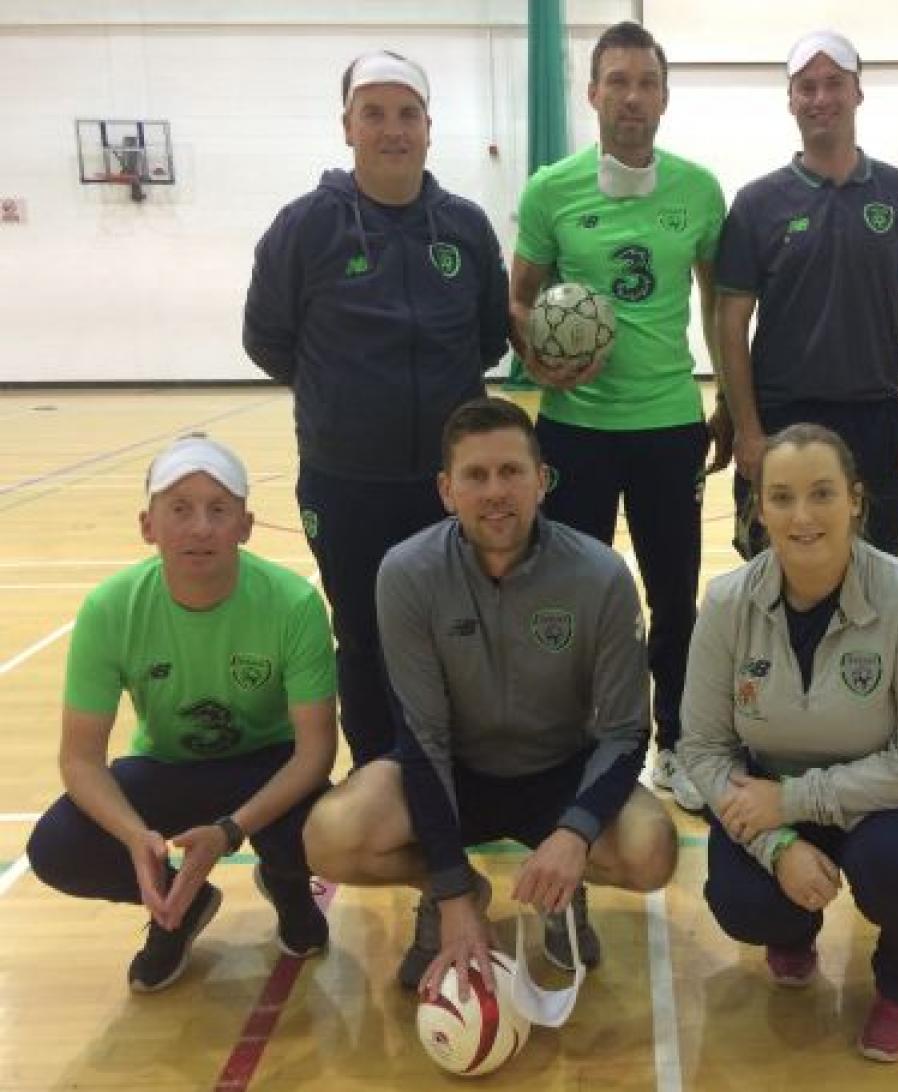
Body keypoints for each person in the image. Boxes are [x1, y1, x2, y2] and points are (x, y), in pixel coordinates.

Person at [302, 398, 677, 995]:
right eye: (476, 476)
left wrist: (575, 831)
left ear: (542, 481)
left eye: (511, 472)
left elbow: (626, 732)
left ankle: (559, 888)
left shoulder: (600, 575)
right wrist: (451, 887)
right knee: (330, 835)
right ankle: (454, 893)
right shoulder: (407, 573)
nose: (495, 491)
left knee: (651, 848)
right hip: (455, 772)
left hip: (558, 774)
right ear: (447, 491)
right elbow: (421, 740)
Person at [243, 51, 510, 766]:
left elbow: (487, 338)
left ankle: (457, 771)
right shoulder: (304, 228)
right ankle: (378, 777)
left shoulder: (465, 228)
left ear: (428, 127)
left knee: (459, 627)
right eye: (374, 114)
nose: (392, 130)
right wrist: (347, 399)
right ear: (348, 126)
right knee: (360, 633)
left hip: (449, 482)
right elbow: (267, 340)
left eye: (407, 114)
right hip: (345, 479)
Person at [680, 424, 898, 1063]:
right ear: (760, 509)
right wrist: (779, 845)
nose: (802, 515)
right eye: (782, 497)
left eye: (822, 494)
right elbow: (702, 749)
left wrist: (791, 801)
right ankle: (792, 922)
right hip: (777, 801)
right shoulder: (727, 603)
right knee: (742, 903)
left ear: (857, 501)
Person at [25, 435, 337, 992]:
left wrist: (230, 831)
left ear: (245, 525)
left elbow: (315, 754)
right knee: (57, 847)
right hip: (166, 768)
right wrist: (133, 838)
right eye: (180, 509)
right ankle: (179, 906)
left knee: (330, 830)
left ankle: (287, 883)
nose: (199, 527)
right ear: (148, 525)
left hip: (269, 766)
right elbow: (80, 761)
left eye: (218, 510)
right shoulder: (110, 608)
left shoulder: (292, 603)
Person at [508, 21, 726, 813]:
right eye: (617, 81)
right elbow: (520, 296)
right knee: (570, 598)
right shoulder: (551, 189)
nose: (632, 97)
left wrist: (729, 400)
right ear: (592, 92)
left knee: (675, 595)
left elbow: (718, 303)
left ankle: (678, 746)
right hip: (574, 429)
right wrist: (536, 361)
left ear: (663, 96)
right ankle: (574, 743)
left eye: (646, 82)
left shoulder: (699, 191)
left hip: (669, 424)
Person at [715, 29, 898, 560]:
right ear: (791, 101)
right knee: (770, 567)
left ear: (857, 93)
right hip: (780, 418)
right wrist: (747, 428)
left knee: (875, 571)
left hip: (875, 419)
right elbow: (731, 325)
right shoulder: (756, 203)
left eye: (834, 84)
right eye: (807, 87)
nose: (821, 99)